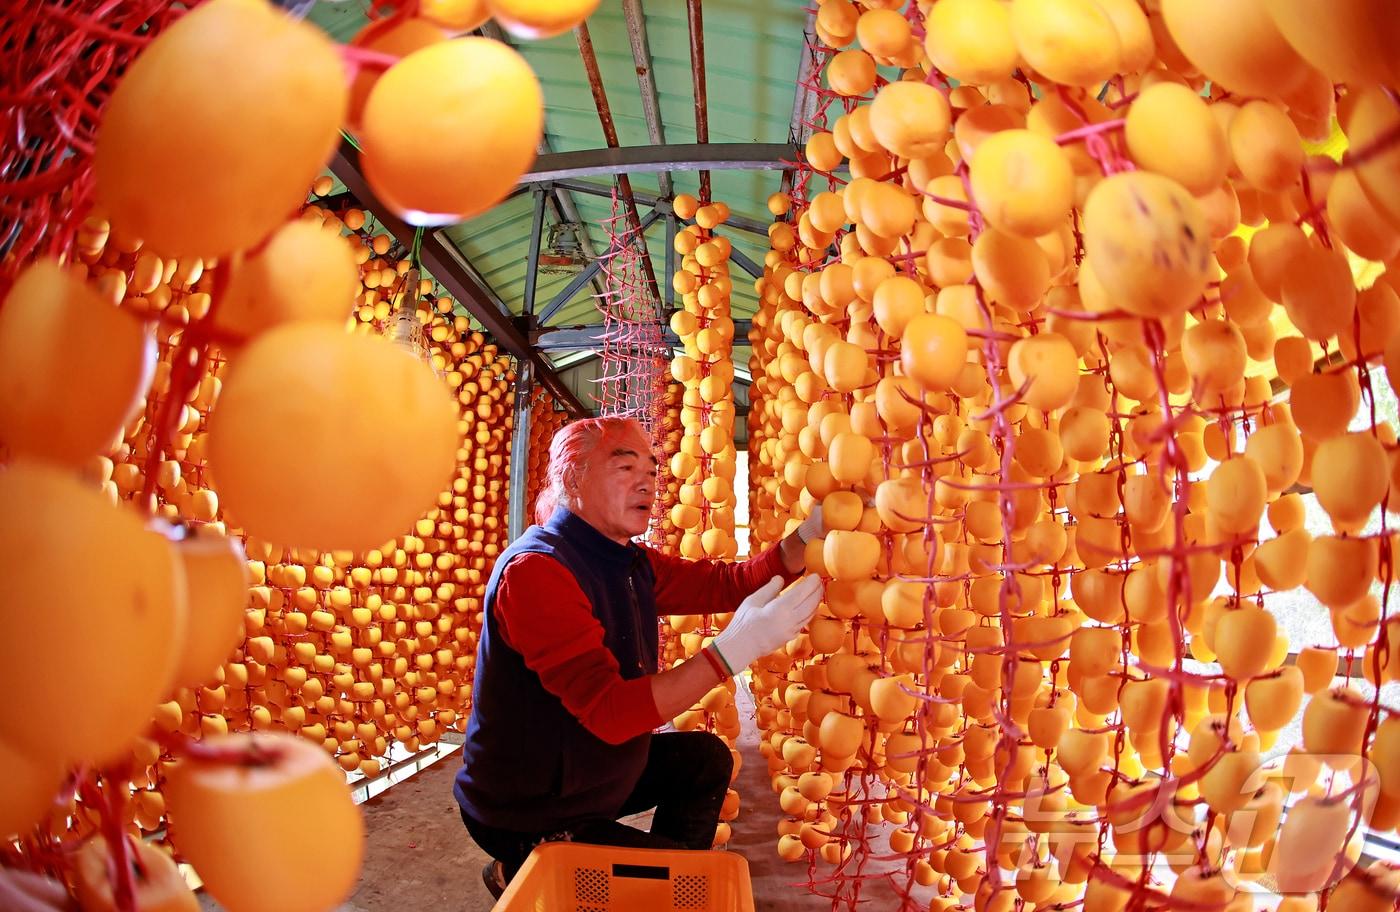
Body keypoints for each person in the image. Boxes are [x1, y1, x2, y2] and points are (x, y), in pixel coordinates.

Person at [453, 417, 824, 896]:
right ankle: (532, 855)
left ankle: (636, 875)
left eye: (651, 469)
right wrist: (732, 651)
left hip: (590, 774)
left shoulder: (626, 560)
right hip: (531, 803)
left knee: (705, 760)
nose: (647, 481)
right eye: (625, 466)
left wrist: (807, 537)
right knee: (680, 885)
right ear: (572, 479)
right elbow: (612, 714)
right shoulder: (537, 573)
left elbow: (725, 583)